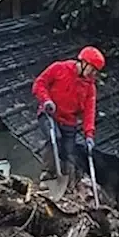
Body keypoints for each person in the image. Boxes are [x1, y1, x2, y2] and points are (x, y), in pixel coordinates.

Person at [32, 47, 104, 191]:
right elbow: (39, 84)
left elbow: (89, 112)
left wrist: (89, 134)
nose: (93, 74)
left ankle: (68, 186)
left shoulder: (89, 87)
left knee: (69, 154)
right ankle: (48, 176)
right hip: (49, 114)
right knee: (55, 139)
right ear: (83, 63)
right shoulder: (59, 68)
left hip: (69, 121)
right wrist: (46, 100)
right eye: (92, 69)